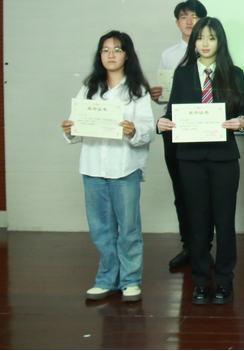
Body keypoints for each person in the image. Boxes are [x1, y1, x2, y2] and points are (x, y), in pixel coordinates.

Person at [157, 17, 244, 305]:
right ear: (193, 42)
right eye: (200, 38)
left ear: (220, 40)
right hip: (190, 158)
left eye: (211, 37)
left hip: (224, 158)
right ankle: (200, 280)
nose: (205, 43)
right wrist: (162, 123)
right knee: (197, 222)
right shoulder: (183, 73)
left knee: (224, 221)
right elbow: (172, 113)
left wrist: (242, 122)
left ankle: (224, 280)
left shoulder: (234, 73)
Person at [63, 31, 154, 303]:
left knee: (128, 228)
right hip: (92, 167)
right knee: (101, 228)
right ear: (99, 55)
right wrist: (69, 129)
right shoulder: (89, 88)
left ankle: (130, 280)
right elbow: (76, 126)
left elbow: (148, 130)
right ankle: (106, 279)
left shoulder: (137, 90)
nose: (110, 54)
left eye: (117, 49)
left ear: (127, 54)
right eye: (105, 49)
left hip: (124, 167)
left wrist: (134, 130)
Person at [149, 0, 211, 270]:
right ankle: (189, 245)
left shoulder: (213, 51)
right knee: (182, 190)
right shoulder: (169, 54)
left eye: (194, 16)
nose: (189, 21)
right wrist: (157, 96)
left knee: (206, 191)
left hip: (205, 127)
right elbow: (168, 98)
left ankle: (205, 246)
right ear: (177, 22)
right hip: (175, 129)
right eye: (184, 17)